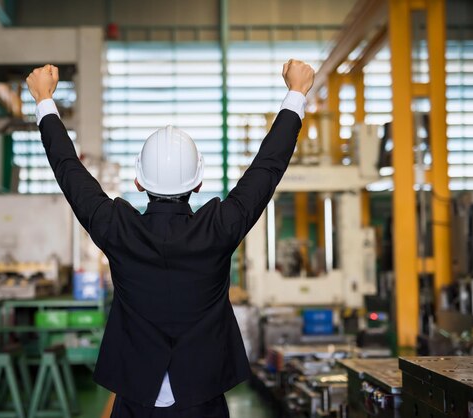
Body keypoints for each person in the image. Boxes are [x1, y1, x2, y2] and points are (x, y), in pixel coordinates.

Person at [26, 60, 314, 418]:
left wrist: (44, 101)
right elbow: (266, 168)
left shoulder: (118, 229)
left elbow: (68, 170)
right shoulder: (219, 228)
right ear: (197, 183)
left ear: (139, 182)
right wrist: (296, 94)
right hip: (202, 400)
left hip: (135, 402)